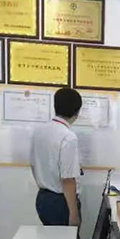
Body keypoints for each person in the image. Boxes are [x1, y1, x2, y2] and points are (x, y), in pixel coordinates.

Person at [30, 88, 82, 227]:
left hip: (43, 198)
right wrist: (74, 215)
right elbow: (68, 180)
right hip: (61, 202)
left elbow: (33, 165)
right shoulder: (68, 137)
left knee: (51, 237)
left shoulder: (39, 132)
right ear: (77, 112)